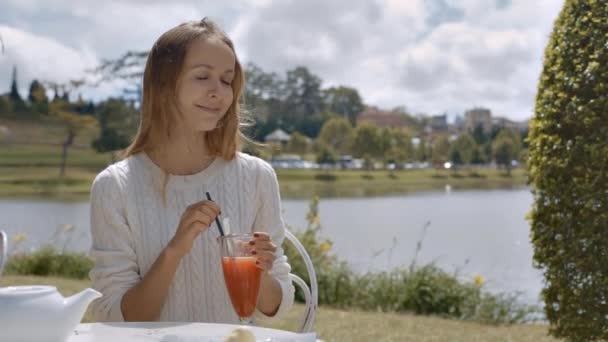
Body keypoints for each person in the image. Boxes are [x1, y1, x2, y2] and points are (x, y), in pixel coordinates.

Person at [88, 18, 295, 323]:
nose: (219, 92)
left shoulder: (257, 177)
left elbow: (275, 308)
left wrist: (258, 271)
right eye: (202, 77)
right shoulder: (114, 187)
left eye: (227, 80)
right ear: (163, 86)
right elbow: (115, 318)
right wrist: (174, 250)